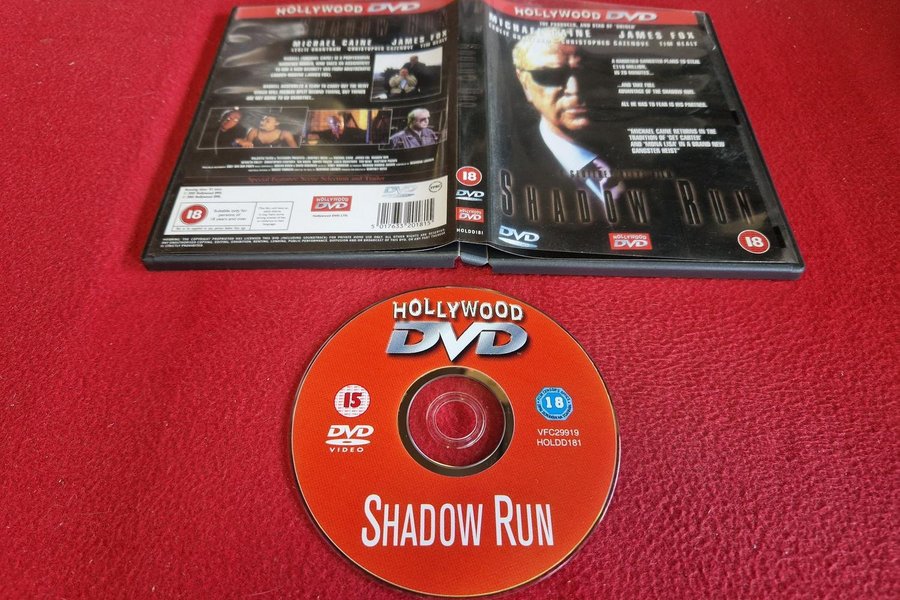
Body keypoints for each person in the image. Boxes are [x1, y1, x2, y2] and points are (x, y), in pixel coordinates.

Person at [512, 27, 624, 200]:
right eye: (552, 75)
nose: (575, 89)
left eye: (587, 72)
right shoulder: (513, 166)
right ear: (524, 83)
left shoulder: (636, 155)